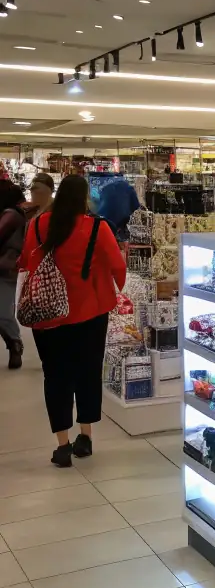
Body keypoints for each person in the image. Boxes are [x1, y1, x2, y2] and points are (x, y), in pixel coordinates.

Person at [18, 175, 126, 467]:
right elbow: (118, 266)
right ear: (84, 199)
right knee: (87, 373)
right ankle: (86, 437)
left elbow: (28, 262)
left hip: (49, 315)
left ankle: (62, 445)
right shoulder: (98, 228)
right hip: (90, 312)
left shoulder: (39, 225)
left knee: (55, 376)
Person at [0, 180, 28, 369]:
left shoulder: (10, 215)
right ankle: (14, 345)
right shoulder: (14, 213)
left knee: (3, 313)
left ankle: (15, 344)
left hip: (4, 269)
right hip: (6, 268)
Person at [95, 174, 140, 240]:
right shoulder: (129, 189)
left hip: (102, 221)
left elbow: (100, 203)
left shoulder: (105, 188)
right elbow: (136, 207)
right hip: (119, 222)